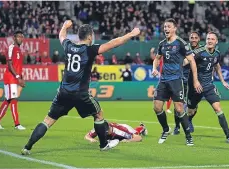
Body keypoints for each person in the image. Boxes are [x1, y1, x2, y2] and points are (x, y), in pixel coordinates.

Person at [21, 20, 140, 155]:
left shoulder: (68, 46)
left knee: (47, 120)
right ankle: (103, 144)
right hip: (80, 93)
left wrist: (64, 26)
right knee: (99, 114)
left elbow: (61, 36)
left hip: (63, 92)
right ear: (89, 36)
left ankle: (27, 147)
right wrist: (131, 34)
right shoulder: (90, 50)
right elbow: (113, 43)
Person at [151, 18, 202, 146]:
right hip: (163, 79)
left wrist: (195, 80)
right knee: (157, 107)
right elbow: (156, 59)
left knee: (179, 109)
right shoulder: (162, 43)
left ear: (174, 28)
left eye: (168, 26)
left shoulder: (181, 43)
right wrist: (154, 68)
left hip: (176, 80)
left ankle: (188, 136)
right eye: (164, 27)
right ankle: (165, 129)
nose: (166, 29)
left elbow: (192, 61)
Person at [184, 32, 229, 144]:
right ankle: (188, 120)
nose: (210, 41)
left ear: (216, 41)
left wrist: (222, 81)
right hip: (195, 87)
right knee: (190, 110)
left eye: (212, 39)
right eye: (208, 39)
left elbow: (217, 66)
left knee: (218, 109)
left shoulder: (217, 53)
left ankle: (228, 136)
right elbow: (186, 61)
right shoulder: (198, 52)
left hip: (208, 86)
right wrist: (195, 80)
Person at [0, 31, 26, 130]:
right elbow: (10, 65)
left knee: (8, 99)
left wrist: (21, 77)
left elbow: (18, 66)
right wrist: (17, 77)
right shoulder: (11, 48)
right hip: (10, 77)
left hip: (15, 78)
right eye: (19, 37)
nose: (21, 38)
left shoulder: (19, 49)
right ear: (14, 38)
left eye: (22, 37)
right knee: (14, 99)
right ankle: (17, 124)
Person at [173, 31, 201, 135]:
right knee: (178, 104)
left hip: (195, 82)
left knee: (193, 106)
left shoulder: (202, 50)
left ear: (199, 39)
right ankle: (177, 127)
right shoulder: (183, 48)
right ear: (189, 39)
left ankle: (189, 120)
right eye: (191, 37)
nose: (193, 39)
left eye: (195, 37)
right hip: (182, 80)